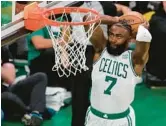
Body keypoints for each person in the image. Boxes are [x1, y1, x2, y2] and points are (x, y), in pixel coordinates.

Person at [83, 12, 152, 126]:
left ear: (130, 38)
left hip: (120, 120)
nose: (113, 39)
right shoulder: (101, 50)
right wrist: (115, 19)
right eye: (111, 34)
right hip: (94, 117)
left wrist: (143, 30)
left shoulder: (135, 60)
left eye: (119, 36)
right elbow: (88, 19)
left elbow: (144, 40)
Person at [1, 46, 49, 126]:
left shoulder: (3, 49)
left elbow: (10, 78)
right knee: (6, 96)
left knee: (41, 77)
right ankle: (29, 113)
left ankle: (36, 113)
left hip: (7, 90)